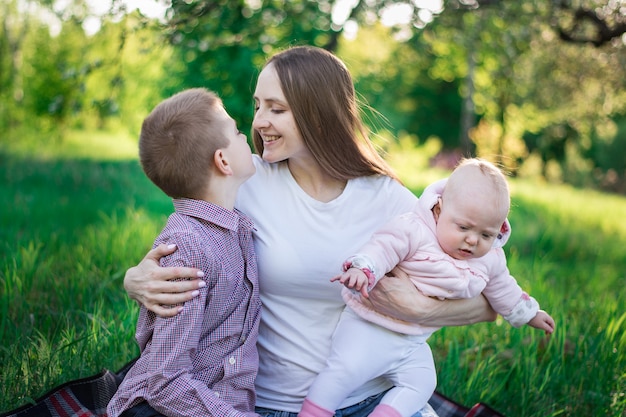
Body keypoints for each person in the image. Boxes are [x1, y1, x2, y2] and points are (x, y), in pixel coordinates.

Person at [122, 46, 497, 417]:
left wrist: (422, 309)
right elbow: (188, 239)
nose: (258, 121)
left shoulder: (389, 200)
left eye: (276, 109)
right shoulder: (243, 179)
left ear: (319, 116)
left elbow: (491, 291)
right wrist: (134, 278)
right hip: (265, 404)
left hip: (367, 398)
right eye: (257, 106)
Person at [299, 158, 555, 417]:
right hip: (370, 325)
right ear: (439, 210)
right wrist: (363, 270)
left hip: (413, 340)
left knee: (422, 383)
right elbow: (382, 248)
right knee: (344, 371)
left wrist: (530, 313)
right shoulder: (414, 230)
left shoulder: (489, 259)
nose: (472, 240)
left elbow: (504, 290)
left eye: (486, 235)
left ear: (499, 229)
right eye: (463, 227)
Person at [107, 88, 262, 417]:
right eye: (236, 132)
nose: (247, 135)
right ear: (222, 161)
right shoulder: (188, 250)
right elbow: (165, 381)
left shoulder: (234, 227)